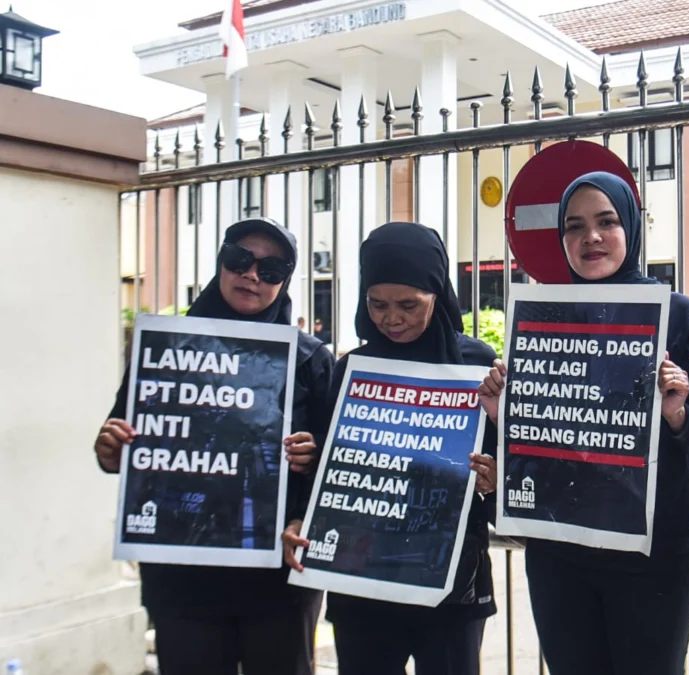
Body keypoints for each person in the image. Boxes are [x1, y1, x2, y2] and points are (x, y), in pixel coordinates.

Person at [477, 172, 689, 675]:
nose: (590, 237)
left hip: (653, 559)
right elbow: (540, 436)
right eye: (574, 226)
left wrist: (676, 413)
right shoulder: (545, 317)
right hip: (560, 557)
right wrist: (506, 419)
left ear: (630, 227)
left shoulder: (676, 315)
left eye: (606, 221)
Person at [92, 217, 334, 675]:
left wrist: (314, 457)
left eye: (271, 269)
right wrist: (110, 450)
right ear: (220, 262)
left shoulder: (309, 359)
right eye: (240, 259)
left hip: (278, 582)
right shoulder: (165, 349)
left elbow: (340, 465)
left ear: (284, 283)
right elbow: (123, 439)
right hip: (183, 579)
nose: (251, 275)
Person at [283, 222, 498, 675]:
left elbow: (513, 472)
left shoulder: (476, 365)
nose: (392, 318)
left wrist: (495, 477)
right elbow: (330, 468)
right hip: (362, 585)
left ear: (437, 294)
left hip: (449, 587)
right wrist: (308, 492)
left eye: (408, 305)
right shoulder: (351, 370)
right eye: (377, 304)